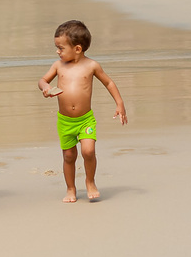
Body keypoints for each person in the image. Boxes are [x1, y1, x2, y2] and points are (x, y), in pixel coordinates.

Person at [37, 20, 128, 203]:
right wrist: (46, 88)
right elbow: (42, 80)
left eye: (61, 48)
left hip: (85, 120)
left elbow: (109, 82)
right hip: (65, 121)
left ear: (77, 49)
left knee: (88, 151)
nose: (58, 51)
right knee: (69, 156)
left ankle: (90, 181)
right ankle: (71, 188)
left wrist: (119, 103)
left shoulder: (91, 66)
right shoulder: (58, 66)